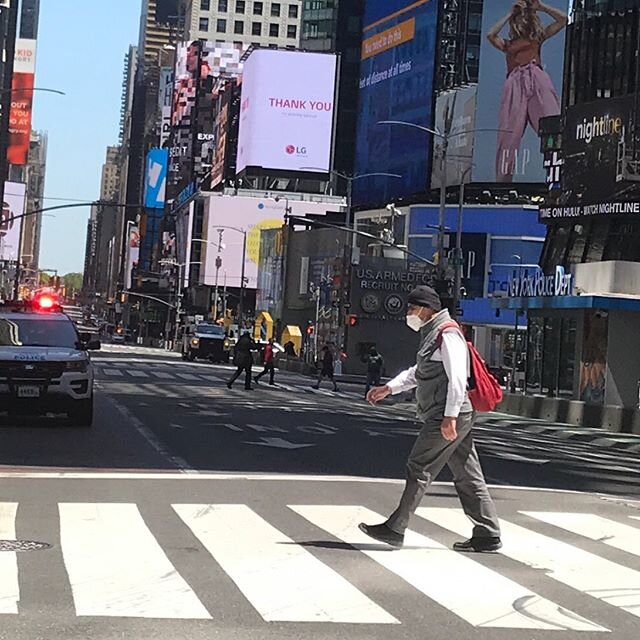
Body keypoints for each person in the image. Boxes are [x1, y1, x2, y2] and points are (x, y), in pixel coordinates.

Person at [359, 285, 501, 552]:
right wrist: (389, 388)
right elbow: (420, 371)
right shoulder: (433, 333)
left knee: (419, 465)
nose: (409, 314)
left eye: (412, 309)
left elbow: (458, 378)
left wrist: (450, 417)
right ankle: (487, 532)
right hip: (452, 411)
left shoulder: (447, 334)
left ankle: (395, 528)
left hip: (449, 412)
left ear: (425, 308)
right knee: (467, 472)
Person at [487, 0, 567, 182]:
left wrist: (541, 7)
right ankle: (502, 184)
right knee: (508, 135)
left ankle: (558, 177)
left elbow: (563, 19)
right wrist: (510, 13)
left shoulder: (537, 38)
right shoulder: (508, 45)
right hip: (515, 83)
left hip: (536, 78)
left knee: (553, 127)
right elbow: (490, 34)